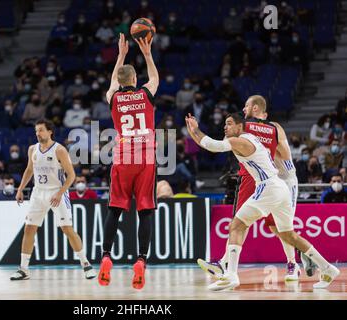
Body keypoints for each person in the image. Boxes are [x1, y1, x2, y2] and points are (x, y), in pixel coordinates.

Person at [186, 113, 340, 290]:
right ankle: (327, 268)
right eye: (225, 124)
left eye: (229, 124)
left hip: (268, 188)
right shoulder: (250, 138)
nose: (225, 127)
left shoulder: (240, 141)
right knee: (289, 235)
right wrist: (195, 132)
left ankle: (231, 275)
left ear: (240, 127)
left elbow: (211, 145)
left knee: (236, 226)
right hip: (280, 188)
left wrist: (195, 129)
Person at [198, 95, 312, 282]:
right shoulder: (272, 128)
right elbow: (275, 150)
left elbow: (282, 154)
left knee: (276, 226)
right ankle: (226, 264)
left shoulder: (254, 126)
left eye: (246, 106)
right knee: (247, 222)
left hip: (280, 177)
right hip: (261, 175)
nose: (243, 110)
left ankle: (296, 260)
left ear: (258, 110)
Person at [98, 34, 159, 290]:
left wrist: (120, 55)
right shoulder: (145, 94)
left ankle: (106, 256)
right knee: (144, 209)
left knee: (115, 208)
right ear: (135, 80)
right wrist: (146, 53)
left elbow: (114, 82)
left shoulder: (113, 96)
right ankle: (141, 260)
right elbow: (154, 78)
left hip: (123, 156)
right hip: (145, 157)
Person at [10, 119, 96, 280]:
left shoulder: (60, 150)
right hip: (38, 193)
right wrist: (20, 189)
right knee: (29, 228)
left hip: (57, 192)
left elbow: (71, 176)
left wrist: (60, 193)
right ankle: (23, 269)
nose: (38, 133)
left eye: (41, 130)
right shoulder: (32, 149)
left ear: (50, 131)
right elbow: (29, 170)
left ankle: (86, 264)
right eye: (36, 131)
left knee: (67, 229)